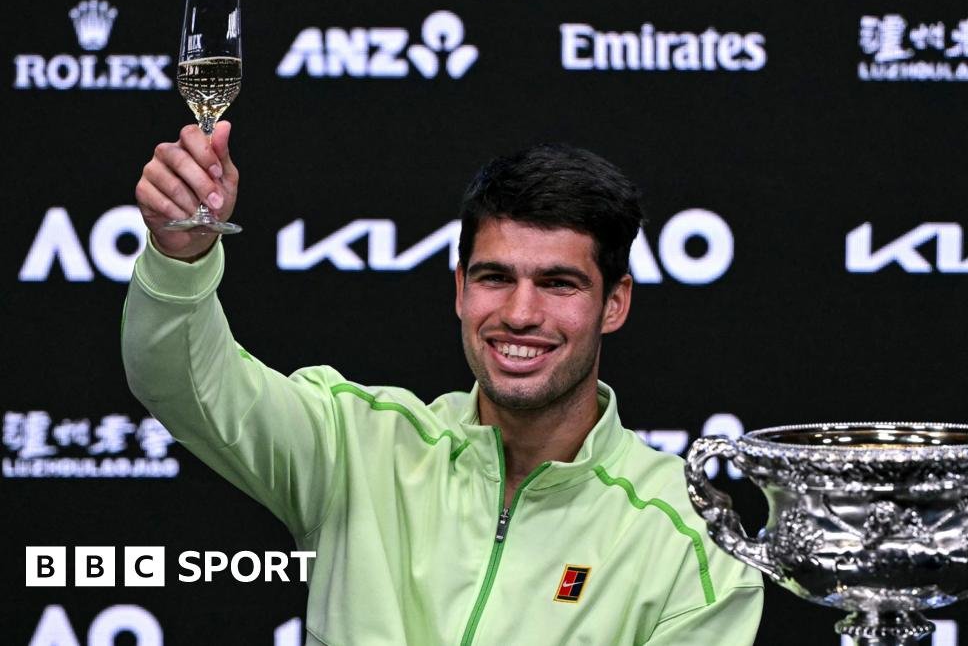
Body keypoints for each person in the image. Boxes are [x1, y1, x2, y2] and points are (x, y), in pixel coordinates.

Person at [123, 121, 763, 645]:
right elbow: (181, 381)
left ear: (615, 303)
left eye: (558, 284)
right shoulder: (357, 444)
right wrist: (181, 257)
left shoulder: (691, 539)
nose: (519, 313)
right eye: (494, 278)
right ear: (460, 288)